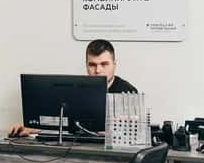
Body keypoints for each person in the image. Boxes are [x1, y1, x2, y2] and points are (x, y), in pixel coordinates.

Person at [8, 39, 137, 137]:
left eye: (104, 64)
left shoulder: (128, 92)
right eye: (92, 65)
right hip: (80, 146)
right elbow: (65, 122)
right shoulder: (77, 88)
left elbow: (133, 132)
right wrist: (33, 128)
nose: (98, 70)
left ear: (114, 64)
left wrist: (111, 133)